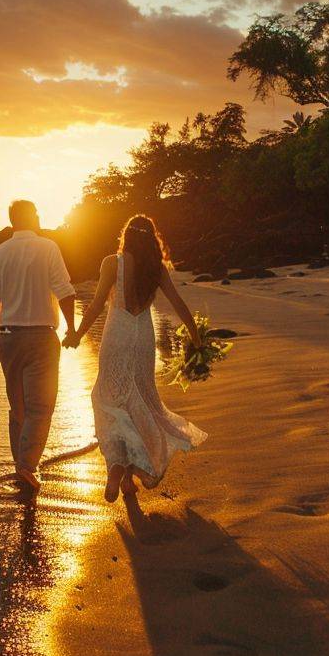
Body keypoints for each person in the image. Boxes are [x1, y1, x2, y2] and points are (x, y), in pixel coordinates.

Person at [63, 215, 207, 502]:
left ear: (126, 236)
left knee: (110, 398)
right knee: (139, 398)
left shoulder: (111, 263)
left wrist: (77, 335)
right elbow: (178, 302)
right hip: (142, 337)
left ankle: (117, 467)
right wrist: (196, 337)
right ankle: (127, 478)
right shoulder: (156, 268)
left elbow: (94, 306)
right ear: (151, 239)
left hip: (117, 333)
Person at [0, 200, 77, 493]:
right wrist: (72, 328)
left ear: (12, 221)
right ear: (31, 217)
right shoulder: (48, 248)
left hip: (9, 336)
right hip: (41, 337)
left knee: (18, 406)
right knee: (41, 407)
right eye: (36, 213)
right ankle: (26, 467)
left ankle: (21, 467)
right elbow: (65, 291)